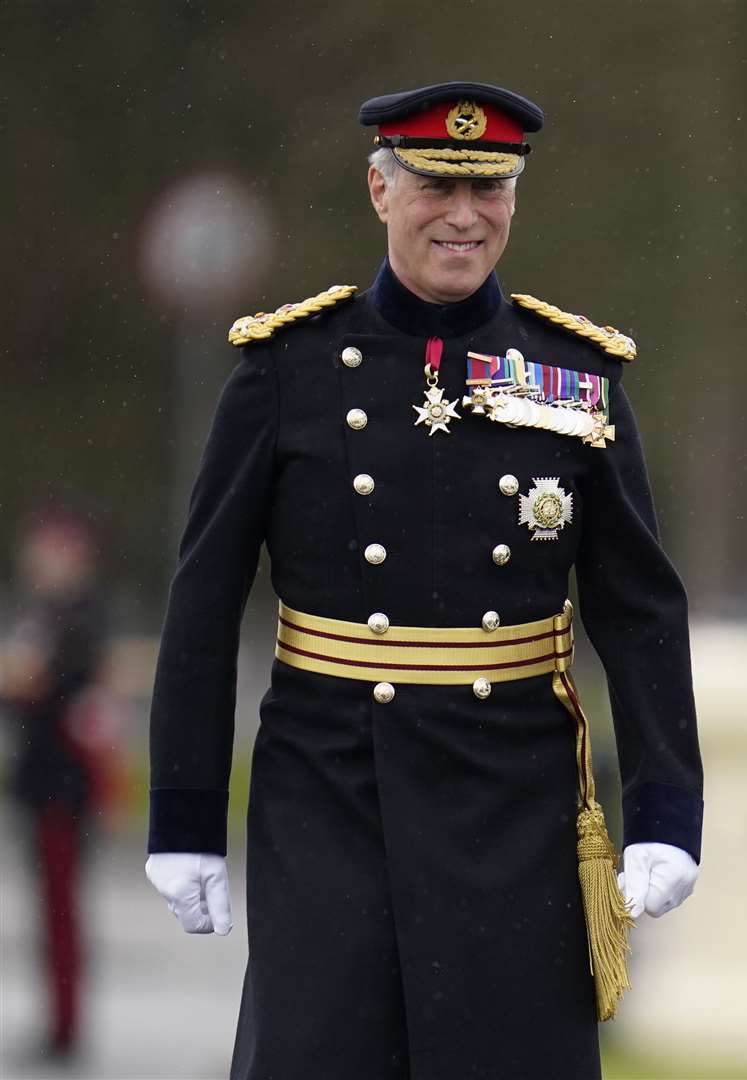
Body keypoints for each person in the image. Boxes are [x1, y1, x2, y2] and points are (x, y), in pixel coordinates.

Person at [143, 82, 704, 1080]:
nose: (463, 212)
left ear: (514, 200)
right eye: (436, 184)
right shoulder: (287, 370)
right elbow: (203, 597)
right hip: (328, 781)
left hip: (515, 793)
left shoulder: (574, 376)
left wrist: (665, 812)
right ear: (378, 190)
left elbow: (638, 607)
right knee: (320, 1052)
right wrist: (184, 815)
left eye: (488, 186)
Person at [1, 508, 111, 1062]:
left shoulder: (81, 615)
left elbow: (46, 683)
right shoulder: (43, 612)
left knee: (63, 911)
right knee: (49, 912)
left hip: (63, 787)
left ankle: (66, 1028)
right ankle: (57, 1020)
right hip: (41, 780)